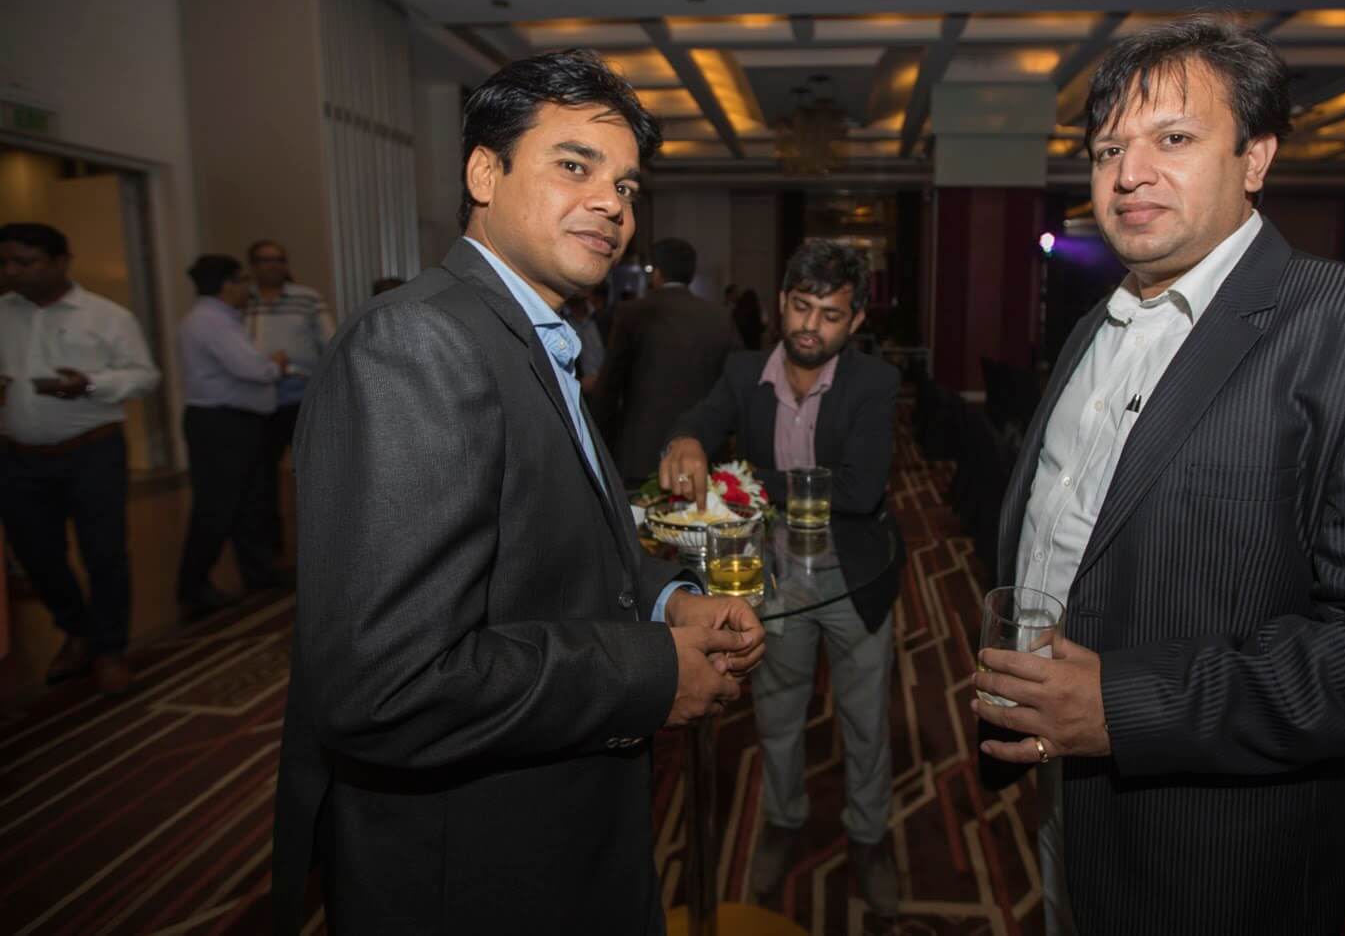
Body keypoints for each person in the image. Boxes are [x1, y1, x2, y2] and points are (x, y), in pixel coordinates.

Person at [970, 15, 1345, 936]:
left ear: (1255, 158)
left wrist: (1121, 708)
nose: (1129, 174)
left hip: (1215, 848)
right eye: (1108, 150)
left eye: (1174, 138)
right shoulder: (1096, 326)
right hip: (1067, 795)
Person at [271, 49, 765, 935]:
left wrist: (667, 601)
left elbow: (552, 543)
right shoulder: (419, 342)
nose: (613, 204)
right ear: (483, 173)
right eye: (575, 165)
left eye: (627, 185)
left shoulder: (533, 335)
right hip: (476, 868)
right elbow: (388, 684)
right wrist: (651, 671)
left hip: (557, 827)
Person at [661, 239, 904, 917]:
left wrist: (739, 479)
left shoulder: (874, 382)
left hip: (853, 575)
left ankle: (869, 837)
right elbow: (699, 420)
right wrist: (688, 438)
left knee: (865, 720)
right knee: (777, 709)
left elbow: (858, 490)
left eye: (830, 314)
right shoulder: (744, 371)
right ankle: (782, 818)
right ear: (780, 303)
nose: (810, 326)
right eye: (801, 306)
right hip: (774, 573)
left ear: (856, 321)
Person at [0, 222, 160, 696]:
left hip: (91, 450)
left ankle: (109, 650)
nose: (12, 271)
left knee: (104, 554)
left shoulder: (106, 316)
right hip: (19, 457)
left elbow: (145, 376)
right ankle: (76, 630)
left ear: (60, 262)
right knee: (37, 556)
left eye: (25, 262)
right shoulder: (2, 313)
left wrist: (90, 383)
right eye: (5, 263)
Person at [175, 254, 288, 615]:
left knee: (248, 501)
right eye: (242, 280)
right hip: (220, 424)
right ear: (227, 284)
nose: (248, 288)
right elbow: (251, 369)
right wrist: (276, 365)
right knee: (217, 506)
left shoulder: (220, 318)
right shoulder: (211, 321)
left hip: (234, 421)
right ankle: (193, 586)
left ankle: (258, 572)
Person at [595, 237, 740, 483]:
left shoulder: (632, 313)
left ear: (657, 273)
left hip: (641, 452)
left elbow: (609, 388)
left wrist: (599, 444)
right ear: (690, 274)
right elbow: (735, 384)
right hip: (702, 453)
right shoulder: (720, 317)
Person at [243, 240, 333, 553]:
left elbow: (329, 342)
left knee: (311, 473)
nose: (273, 266)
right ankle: (270, 544)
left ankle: (318, 541)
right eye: (265, 260)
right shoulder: (243, 299)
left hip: (301, 399)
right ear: (253, 265)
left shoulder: (306, 298)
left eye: (279, 260)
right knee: (261, 479)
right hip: (257, 400)